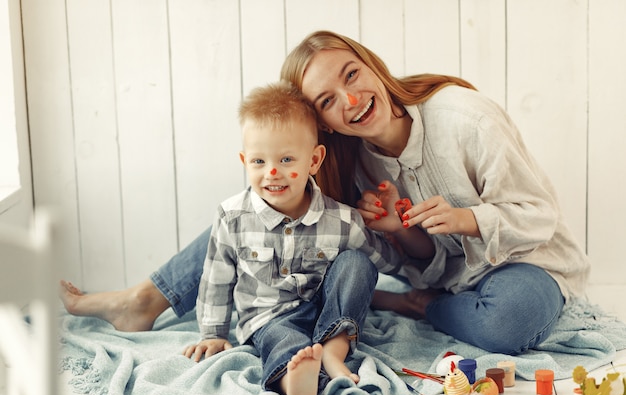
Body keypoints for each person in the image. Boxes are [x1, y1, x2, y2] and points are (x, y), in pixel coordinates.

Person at [61, 30, 590, 356]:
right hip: (449, 275)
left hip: (528, 263)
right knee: (262, 205)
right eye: (329, 100)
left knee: (508, 320)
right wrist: (399, 234)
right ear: (324, 127)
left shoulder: (465, 120)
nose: (353, 99)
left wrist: (469, 218)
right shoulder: (349, 161)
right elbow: (428, 255)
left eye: (353, 74)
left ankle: (417, 307)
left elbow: (539, 215)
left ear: (371, 63)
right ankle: (143, 300)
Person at [191, 81, 434, 395]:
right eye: (259, 161)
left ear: (315, 160)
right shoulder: (234, 217)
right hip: (268, 318)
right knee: (285, 342)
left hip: (326, 313)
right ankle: (295, 385)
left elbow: (385, 261)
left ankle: (334, 352)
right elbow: (216, 278)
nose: (272, 172)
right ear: (244, 160)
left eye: (286, 159)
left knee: (357, 264)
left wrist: (410, 253)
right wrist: (212, 333)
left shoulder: (342, 220)